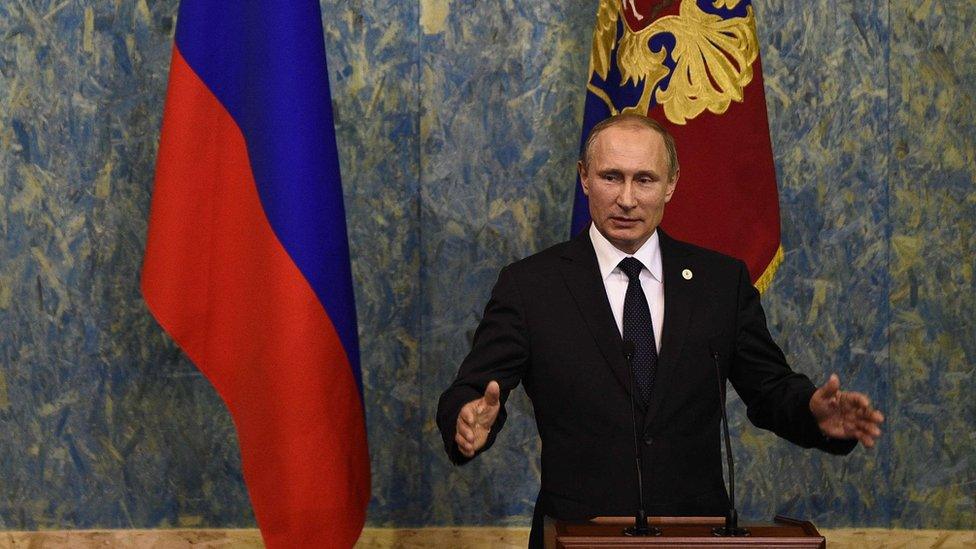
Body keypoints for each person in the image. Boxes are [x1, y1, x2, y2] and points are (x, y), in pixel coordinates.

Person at [436, 113, 884, 547]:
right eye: (611, 177)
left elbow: (769, 389)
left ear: (671, 184)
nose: (627, 199)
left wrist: (813, 412)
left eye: (645, 180)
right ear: (584, 178)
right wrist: (467, 418)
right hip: (577, 534)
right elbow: (473, 388)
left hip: (697, 534)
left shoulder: (720, 282)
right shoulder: (531, 286)